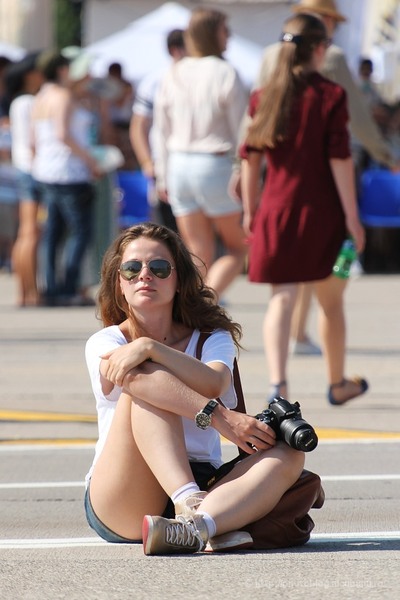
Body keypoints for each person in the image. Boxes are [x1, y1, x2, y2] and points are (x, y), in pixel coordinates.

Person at [84, 222, 304, 554]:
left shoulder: (212, 337)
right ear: (119, 283)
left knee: (290, 453)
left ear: (179, 280)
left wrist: (150, 347)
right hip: (125, 487)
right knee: (143, 390)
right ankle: (190, 505)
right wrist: (222, 419)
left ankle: (198, 527)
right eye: (132, 269)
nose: (145, 275)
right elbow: (136, 378)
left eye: (159, 268)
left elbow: (213, 382)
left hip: (205, 480)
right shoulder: (106, 341)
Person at [251, 0, 400, 353]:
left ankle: (297, 335)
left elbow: (254, 119)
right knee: (321, 263)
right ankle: (303, 336)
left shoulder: (272, 53)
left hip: (277, 170)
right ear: (327, 23)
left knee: (290, 268)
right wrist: (385, 155)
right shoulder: (330, 57)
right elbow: (357, 116)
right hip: (324, 175)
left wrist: (241, 164)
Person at [240, 13, 368, 406]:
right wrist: (352, 217)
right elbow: (339, 158)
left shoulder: (265, 95)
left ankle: (278, 386)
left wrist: (250, 209)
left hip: (276, 210)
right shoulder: (330, 95)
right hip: (322, 213)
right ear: (316, 48)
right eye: (326, 44)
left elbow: (250, 157)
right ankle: (337, 383)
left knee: (281, 298)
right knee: (331, 302)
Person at [154, 8, 248, 300]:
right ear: (212, 33)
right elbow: (242, 130)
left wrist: (161, 174)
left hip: (178, 164)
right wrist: (243, 170)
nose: (229, 37)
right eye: (224, 31)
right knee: (238, 247)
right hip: (215, 163)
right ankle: (204, 302)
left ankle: (192, 303)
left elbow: (160, 130)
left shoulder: (173, 72)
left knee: (197, 250)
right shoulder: (225, 72)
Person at [31, 50, 102, 306]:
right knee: (80, 231)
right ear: (62, 70)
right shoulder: (62, 96)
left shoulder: (41, 96)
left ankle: (51, 288)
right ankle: (68, 287)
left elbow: (34, 139)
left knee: (53, 233)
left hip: (46, 171)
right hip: (69, 172)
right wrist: (90, 160)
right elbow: (63, 134)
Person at [129, 29, 186, 231]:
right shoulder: (155, 81)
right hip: (164, 165)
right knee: (170, 229)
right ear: (175, 50)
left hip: (189, 164)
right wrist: (147, 162)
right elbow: (138, 126)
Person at [7, 52, 44, 306]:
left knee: (25, 233)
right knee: (31, 233)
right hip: (33, 170)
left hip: (22, 169)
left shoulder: (18, 101)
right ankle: (31, 292)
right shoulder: (29, 101)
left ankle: (25, 292)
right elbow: (35, 140)